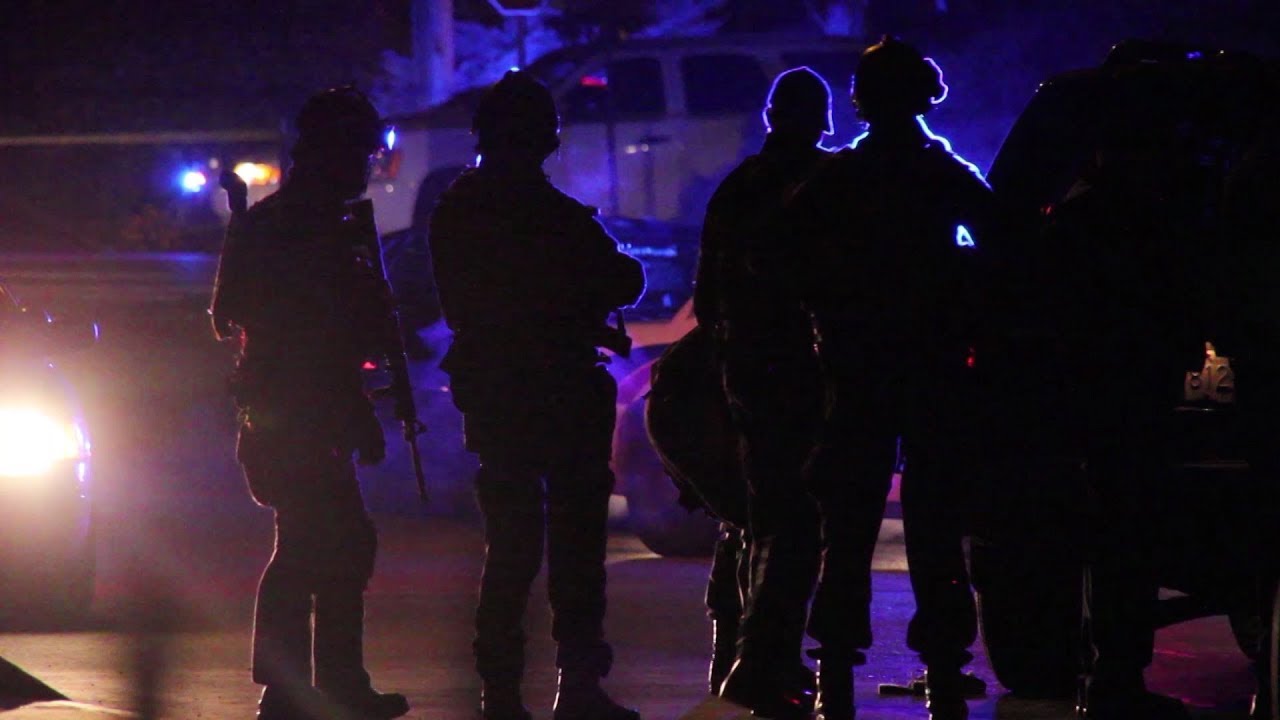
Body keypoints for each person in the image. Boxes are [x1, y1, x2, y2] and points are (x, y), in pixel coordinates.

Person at [785, 37, 998, 720]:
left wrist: (833, 303)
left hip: (858, 371)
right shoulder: (941, 173)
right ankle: (942, 665)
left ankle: (836, 667)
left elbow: (776, 256)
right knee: (936, 526)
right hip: (934, 372)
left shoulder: (843, 176)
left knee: (847, 526)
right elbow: (1006, 239)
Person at [427, 70, 646, 720]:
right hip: (560, 391)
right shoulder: (543, 211)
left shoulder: (460, 208)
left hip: (498, 395)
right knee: (574, 547)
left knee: (512, 547)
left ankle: (500, 691)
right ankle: (576, 686)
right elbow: (620, 276)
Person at [209, 86, 410, 720]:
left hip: (298, 414)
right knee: (320, 544)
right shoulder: (300, 229)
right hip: (294, 413)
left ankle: (310, 684)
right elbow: (286, 331)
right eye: (358, 155)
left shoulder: (309, 226)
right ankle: (304, 686)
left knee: (325, 542)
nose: (365, 169)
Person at [691, 67, 833, 718]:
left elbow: (706, 294)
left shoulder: (738, 187)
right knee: (797, 518)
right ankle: (760, 659)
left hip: (747, 368)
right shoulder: (827, 186)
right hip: (804, 373)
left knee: (759, 511)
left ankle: (745, 654)